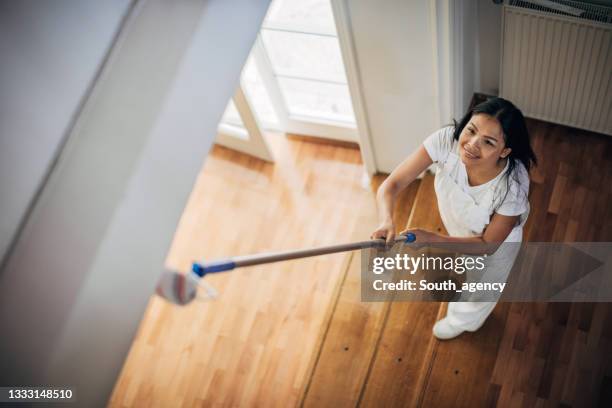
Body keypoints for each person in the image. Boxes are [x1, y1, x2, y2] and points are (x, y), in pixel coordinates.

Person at [371, 97, 537, 339]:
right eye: (471, 130)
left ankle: (464, 321)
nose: (471, 144)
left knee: (480, 289)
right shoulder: (445, 140)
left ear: (504, 150)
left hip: (494, 246)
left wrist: (431, 239)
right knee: (464, 265)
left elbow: (487, 245)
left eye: (488, 142)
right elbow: (392, 184)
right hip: (459, 226)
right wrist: (386, 220)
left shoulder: (512, 187)